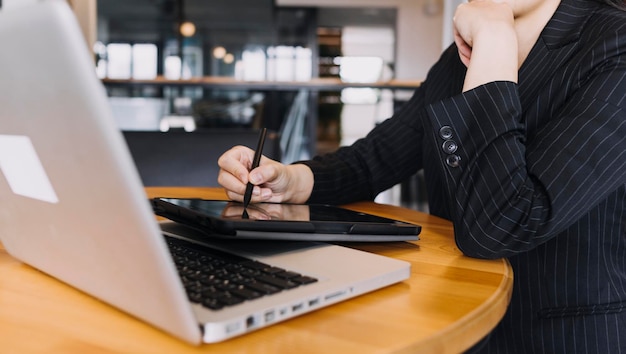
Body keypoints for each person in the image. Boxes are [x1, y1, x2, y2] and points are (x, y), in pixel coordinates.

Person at [218, 0, 626, 351]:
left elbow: (504, 224)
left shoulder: (613, 45)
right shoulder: (458, 57)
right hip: (456, 321)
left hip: (561, 335)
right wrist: (291, 179)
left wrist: (496, 44)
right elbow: (372, 160)